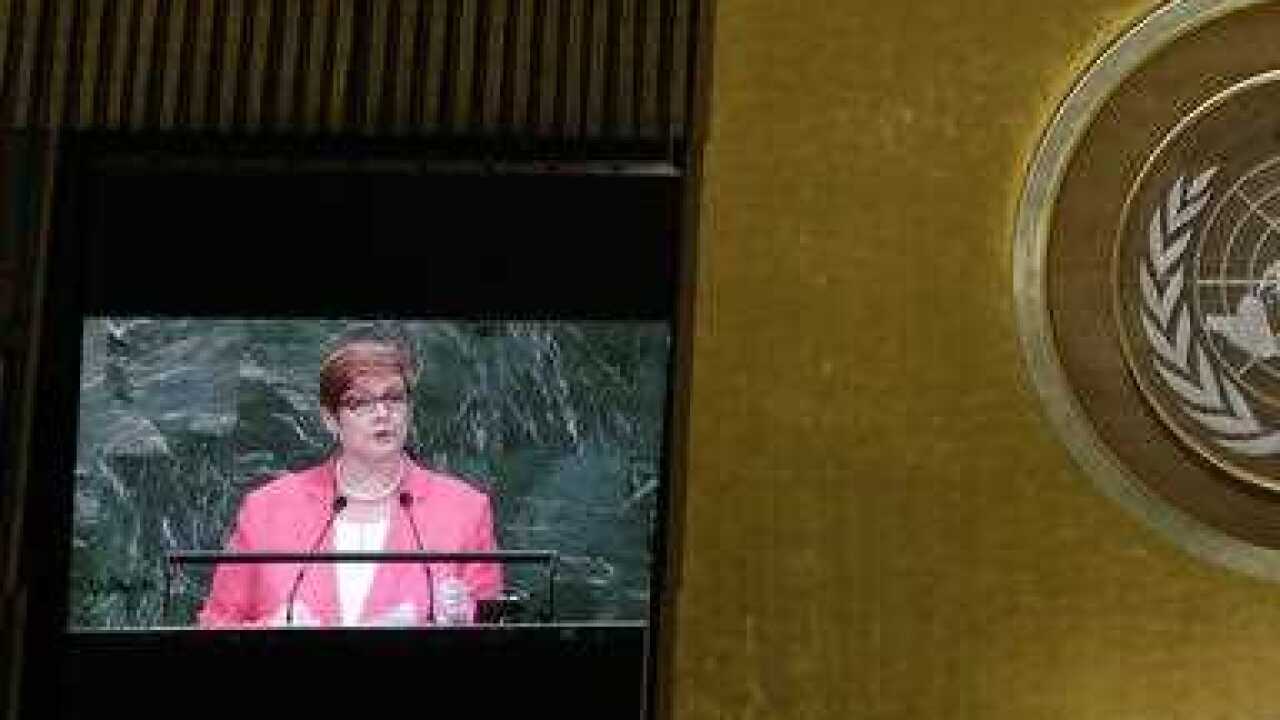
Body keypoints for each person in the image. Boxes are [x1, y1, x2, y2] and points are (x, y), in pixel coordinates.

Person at [198, 336, 502, 627]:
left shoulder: (465, 510)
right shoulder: (267, 509)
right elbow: (215, 624)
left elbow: (494, 622)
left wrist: (467, 619)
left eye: (394, 398)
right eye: (360, 403)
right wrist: (273, 628)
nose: (382, 413)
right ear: (330, 419)